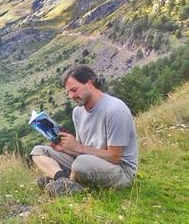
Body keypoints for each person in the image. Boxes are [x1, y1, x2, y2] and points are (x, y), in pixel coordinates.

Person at [30, 66, 138, 197]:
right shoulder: (78, 112)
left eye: (74, 90)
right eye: (68, 92)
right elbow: (81, 149)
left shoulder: (115, 110)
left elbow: (115, 157)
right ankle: (62, 180)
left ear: (90, 83)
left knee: (81, 163)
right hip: (88, 161)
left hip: (120, 170)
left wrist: (78, 147)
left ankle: (64, 184)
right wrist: (64, 148)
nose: (71, 96)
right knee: (39, 151)